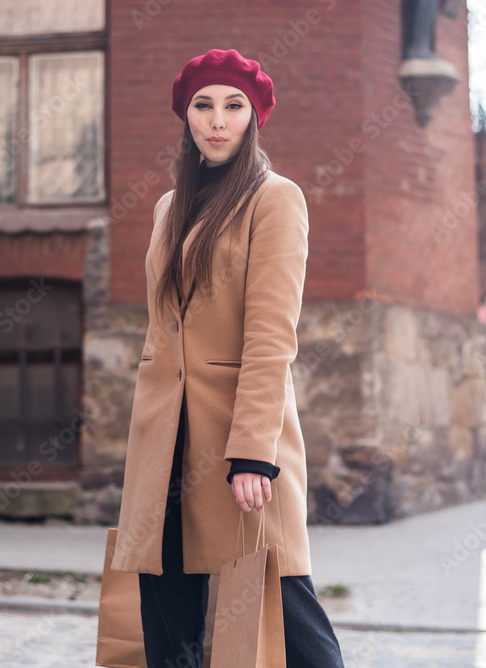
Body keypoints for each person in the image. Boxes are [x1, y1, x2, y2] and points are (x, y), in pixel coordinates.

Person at [110, 48, 345, 667]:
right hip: (163, 448)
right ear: (186, 118)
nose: (218, 120)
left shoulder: (275, 199)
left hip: (235, 447)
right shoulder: (167, 208)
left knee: (284, 612)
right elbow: (163, 332)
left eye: (233, 106)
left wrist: (252, 453)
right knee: (168, 629)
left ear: (253, 117)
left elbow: (271, 337)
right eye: (203, 105)